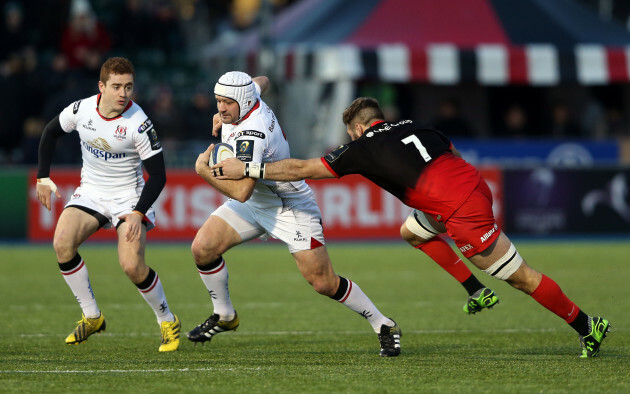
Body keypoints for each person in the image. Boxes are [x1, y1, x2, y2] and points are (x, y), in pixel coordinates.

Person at [213, 97, 612, 358]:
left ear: (356, 128)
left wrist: (246, 167)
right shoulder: (415, 124)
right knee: (413, 232)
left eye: (349, 133)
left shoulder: (361, 146)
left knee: (521, 277)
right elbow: (450, 152)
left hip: (461, 209)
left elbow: (303, 169)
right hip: (473, 185)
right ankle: (475, 291)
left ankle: (586, 324)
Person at [189, 71, 401, 357]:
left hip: (287, 204)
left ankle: (383, 324)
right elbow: (263, 79)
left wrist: (203, 172)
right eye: (218, 102)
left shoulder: (253, 132)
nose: (221, 108)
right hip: (258, 201)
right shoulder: (247, 97)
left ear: (242, 100)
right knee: (203, 248)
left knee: (323, 282)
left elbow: (241, 192)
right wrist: (227, 112)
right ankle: (225, 315)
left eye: (226, 103)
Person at [35, 57, 180, 352]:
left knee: (131, 266)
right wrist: (42, 177)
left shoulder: (139, 124)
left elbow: (160, 175)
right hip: (91, 192)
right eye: (116, 86)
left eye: (128, 86)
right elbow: (50, 131)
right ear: (101, 86)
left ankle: (167, 320)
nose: (123, 93)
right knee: (62, 244)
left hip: (129, 198)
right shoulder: (81, 110)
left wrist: (138, 213)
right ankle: (92, 317)